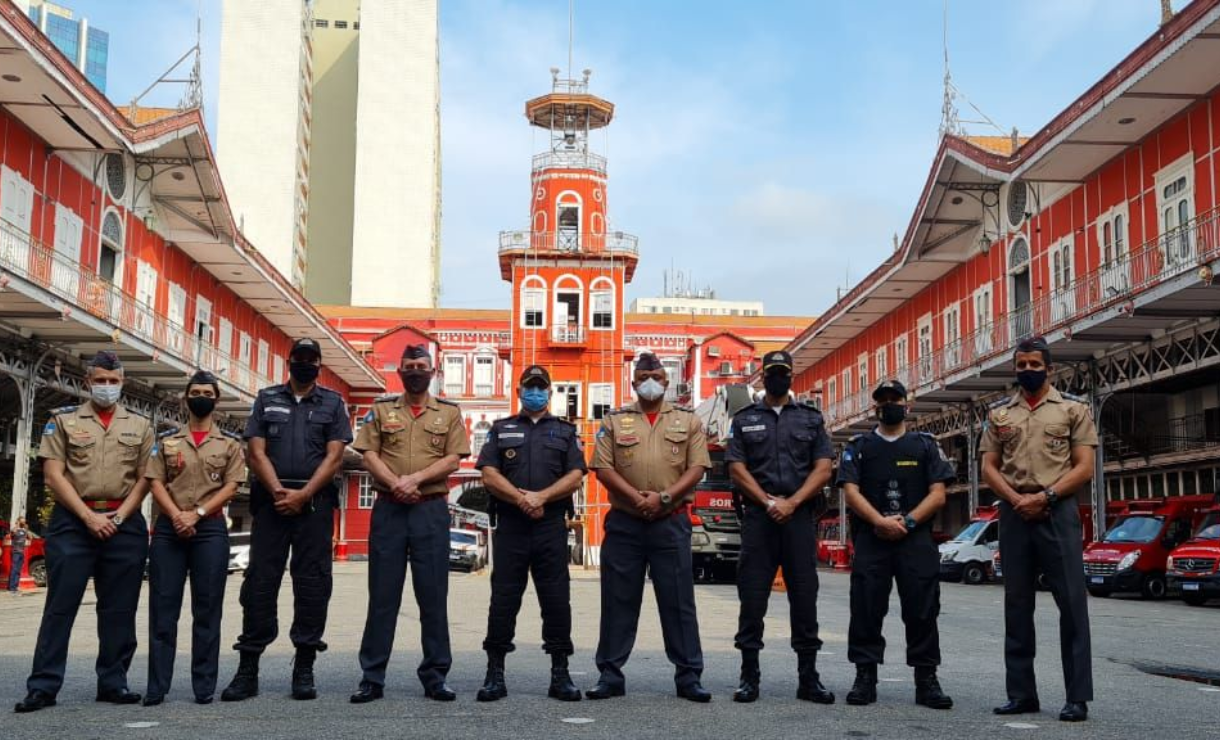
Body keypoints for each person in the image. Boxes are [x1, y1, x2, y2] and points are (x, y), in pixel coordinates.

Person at [15, 351, 154, 713]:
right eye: (99, 380)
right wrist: (89, 517)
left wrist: (119, 517)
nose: (106, 386)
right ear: (87, 381)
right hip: (73, 523)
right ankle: (43, 686)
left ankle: (113, 682)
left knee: (119, 609)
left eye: (113, 380)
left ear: (122, 382)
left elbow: (145, 479)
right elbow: (53, 475)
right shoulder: (62, 421)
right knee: (60, 606)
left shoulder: (140, 426)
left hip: (124, 524)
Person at [221, 338, 352, 702]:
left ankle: (304, 667)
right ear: (289, 361)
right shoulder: (267, 398)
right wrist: (280, 492)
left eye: (312, 360)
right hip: (272, 504)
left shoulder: (332, 403)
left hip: (314, 505)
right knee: (260, 583)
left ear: (319, 364)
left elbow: (335, 456)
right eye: (300, 358)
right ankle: (248, 669)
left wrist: (304, 494)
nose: (306, 364)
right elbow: (255, 451)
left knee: (312, 584)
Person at [981, 336, 1097, 723]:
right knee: (1017, 605)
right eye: (1021, 365)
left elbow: (1083, 466)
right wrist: (1016, 500)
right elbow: (989, 467)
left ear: (1050, 368)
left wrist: (1044, 498)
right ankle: (1021, 694)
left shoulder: (1073, 410)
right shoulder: (999, 415)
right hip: (1014, 513)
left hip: (1058, 510)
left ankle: (1077, 697)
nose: (1027, 371)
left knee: (1072, 605)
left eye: (1034, 364)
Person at [586, 353, 712, 703]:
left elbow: (697, 466)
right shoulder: (614, 420)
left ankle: (689, 676)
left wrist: (665, 498)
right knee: (617, 600)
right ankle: (610, 675)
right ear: (633, 382)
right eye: (643, 376)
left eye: (656, 375)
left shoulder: (688, 421)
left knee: (678, 602)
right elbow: (603, 467)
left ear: (667, 381)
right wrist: (638, 499)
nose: (650, 380)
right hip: (626, 522)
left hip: (670, 523)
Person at [349, 344, 470, 704]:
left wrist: (413, 480)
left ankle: (435, 675)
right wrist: (395, 483)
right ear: (399, 372)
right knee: (382, 596)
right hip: (388, 509)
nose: (415, 370)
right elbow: (367, 454)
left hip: (429, 510)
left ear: (432, 372)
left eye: (421, 365)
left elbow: (452, 459)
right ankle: (372, 677)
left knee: (433, 596)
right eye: (409, 366)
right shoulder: (381, 409)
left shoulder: (448, 413)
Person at [836, 380, 956, 709]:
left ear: (908, 405)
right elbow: (850, 491)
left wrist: (909, 522)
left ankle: (926, 680)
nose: (888, 404)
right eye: (883, 400)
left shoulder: (926, 445)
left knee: (922, 610)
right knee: (866, 608)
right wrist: (878, 521)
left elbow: (938, 493)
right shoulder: (857, 446)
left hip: (915, 540)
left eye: (895, 399)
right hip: (872, 539)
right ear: (874, 406)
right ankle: (865, 677)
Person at [725, 350, 836, 704]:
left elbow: (823, 467)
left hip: (799, 516)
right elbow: (736, 468)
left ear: (791, 376)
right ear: (763, 376)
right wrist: (768, 501)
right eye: (772, 372)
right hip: (760, 518)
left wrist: (793, 502)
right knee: (752, 597)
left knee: (805, 597)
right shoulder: (744, 419)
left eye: (783, 372)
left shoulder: (810, 419)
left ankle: (809, 678)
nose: (778, 378)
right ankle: (749, 677)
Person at [474, 365, 586, 703]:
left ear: (550, 393)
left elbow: (577, 474)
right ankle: (495, 674)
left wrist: (541, 498)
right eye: (529, 387)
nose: (535, 392)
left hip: (551, 524)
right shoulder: (501, 428)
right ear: (519, 391)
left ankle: (560, 673)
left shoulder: (565, 432)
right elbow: (489, 474)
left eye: (541, 387)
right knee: (503, 600)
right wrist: (521, 499)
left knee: (556, 601)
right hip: (512, 525)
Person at [144, 371, 246, 706]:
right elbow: (155, 480)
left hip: (210, 530)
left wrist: (197, 514)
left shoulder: (229, 444)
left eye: (207, 392)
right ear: (185, 398)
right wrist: (176, 515)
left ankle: (204, 686)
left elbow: (232, 486)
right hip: (168, 530)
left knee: (207, 610)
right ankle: (157, 686)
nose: (200, 396)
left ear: (216, 399)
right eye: (195, 391)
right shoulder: (168, 440)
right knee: (163, 609)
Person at [6, 517, 29, 593]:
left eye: (24, 520)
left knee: (18, 570)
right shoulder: (15, 529)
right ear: (19, 521)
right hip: (15, 551)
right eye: (22, 520)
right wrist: (18, 524)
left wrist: (26, 529)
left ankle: (15, 586)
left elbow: (30, 537)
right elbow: (13, 532)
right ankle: (11, 587)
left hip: (21, 552)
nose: (24, 521)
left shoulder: (24, 530)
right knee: (14, 569)